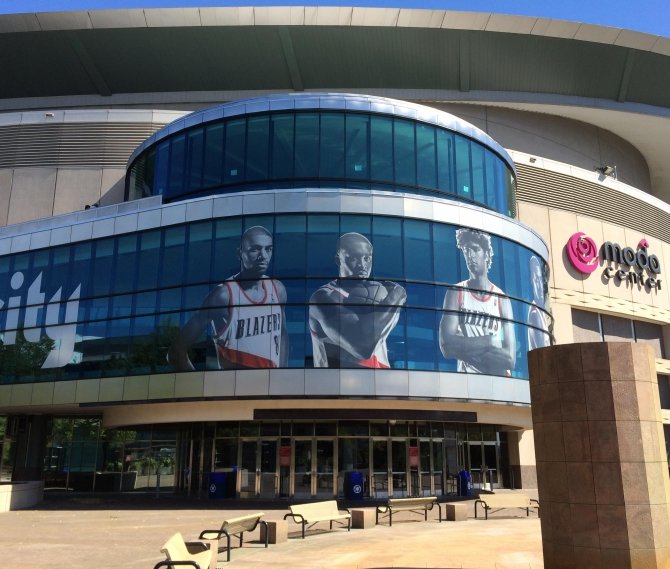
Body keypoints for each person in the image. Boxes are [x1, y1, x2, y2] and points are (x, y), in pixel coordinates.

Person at [167, 226, 287, 370]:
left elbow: (283, 335)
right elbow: (175, 352)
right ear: (239, 253)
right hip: (236, 389)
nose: (264, 256)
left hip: (271, 388)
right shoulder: (223, 296)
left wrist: (282, 375)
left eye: (268, 249)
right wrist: (198, 385)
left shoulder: (277, 289)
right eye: (255, 249)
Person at [309, 232, 406, 368]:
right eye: (353, 258)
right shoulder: (323, 298)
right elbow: (363, 347)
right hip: (335, 385)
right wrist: (396, 296)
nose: (362, 265)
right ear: (338, 260)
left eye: (367, 258)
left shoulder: (378, 293)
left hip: (378, 382)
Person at [439, 228, 516, 376]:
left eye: (475, 250)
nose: (470, 255)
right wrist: (489, 342)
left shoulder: (501, 299)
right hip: (468, 384)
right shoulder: (456, 292)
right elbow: (446, 346)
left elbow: (510, 358)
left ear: (486, 254)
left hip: (499, 385)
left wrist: (462, 348)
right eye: (467, 251)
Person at [527, 255, 550, 350]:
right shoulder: (535, 313)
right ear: (532, 281)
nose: (539, 285)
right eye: (536, 280)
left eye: (540, 280)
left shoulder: (541, 310)